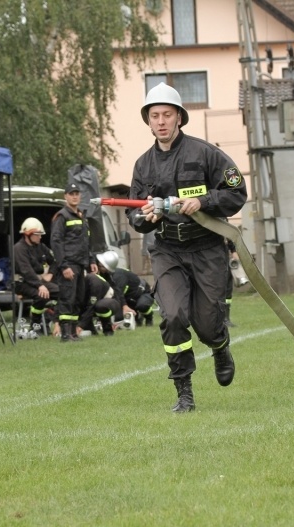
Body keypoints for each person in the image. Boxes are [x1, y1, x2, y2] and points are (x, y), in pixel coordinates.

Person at [126, 82, 247, 413]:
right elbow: (134, 214)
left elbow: (237, 192)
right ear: (148, 121)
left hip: (207, 248)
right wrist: (145, 216)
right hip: (167, 251)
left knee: (208, 324)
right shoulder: (143, 165)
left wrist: (203, 200)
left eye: (167, 114)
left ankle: (220, 347)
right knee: (174, 315)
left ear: (179, 117)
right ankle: (184, 392)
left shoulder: (206, 153)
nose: (161, 121)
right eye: (155, 116)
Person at [51, 178, 98, 342]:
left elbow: (86, 241)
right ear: (66, 197)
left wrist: (91, 260)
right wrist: (63, 266)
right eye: (71, 194)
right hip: (69, 264)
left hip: (80, 264)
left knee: (77, 298)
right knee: (67, 298)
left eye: (77, 194)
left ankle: (72, 332)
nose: (75, 197)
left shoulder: (81, 215)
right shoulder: (62, 216)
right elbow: (56, 242)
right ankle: (65, 334)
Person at [13, 217, 59, 326]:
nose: (40, 236)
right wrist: (40, 286)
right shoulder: (19, 249)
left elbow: (55, 261)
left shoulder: (41, 247)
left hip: (38, 282)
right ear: (27, 234)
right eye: (37, 234)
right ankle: (35, 324)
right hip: (22, 283)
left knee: (61, 291)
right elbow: (26, 271)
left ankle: (51, 319)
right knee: (41, 295)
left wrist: (50, 274)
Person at [97, 250, 155, 327]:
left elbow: (118, 294)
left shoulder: (118, 277)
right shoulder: (107, 274)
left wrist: (117, 318)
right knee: (132, 320)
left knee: (142, 306)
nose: (98, 268)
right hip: (128, 298)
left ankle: (149, 317)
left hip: (142, 294)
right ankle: (138, 317)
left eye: (101, 266)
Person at [76, 272, 124, 337]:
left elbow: (92, 305)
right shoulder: (79, 283)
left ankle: (108, 329)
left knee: (100, 306)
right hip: (95, 302)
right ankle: (92, 332)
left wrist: (80, 326)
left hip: (111, 302)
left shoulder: (94, 283)